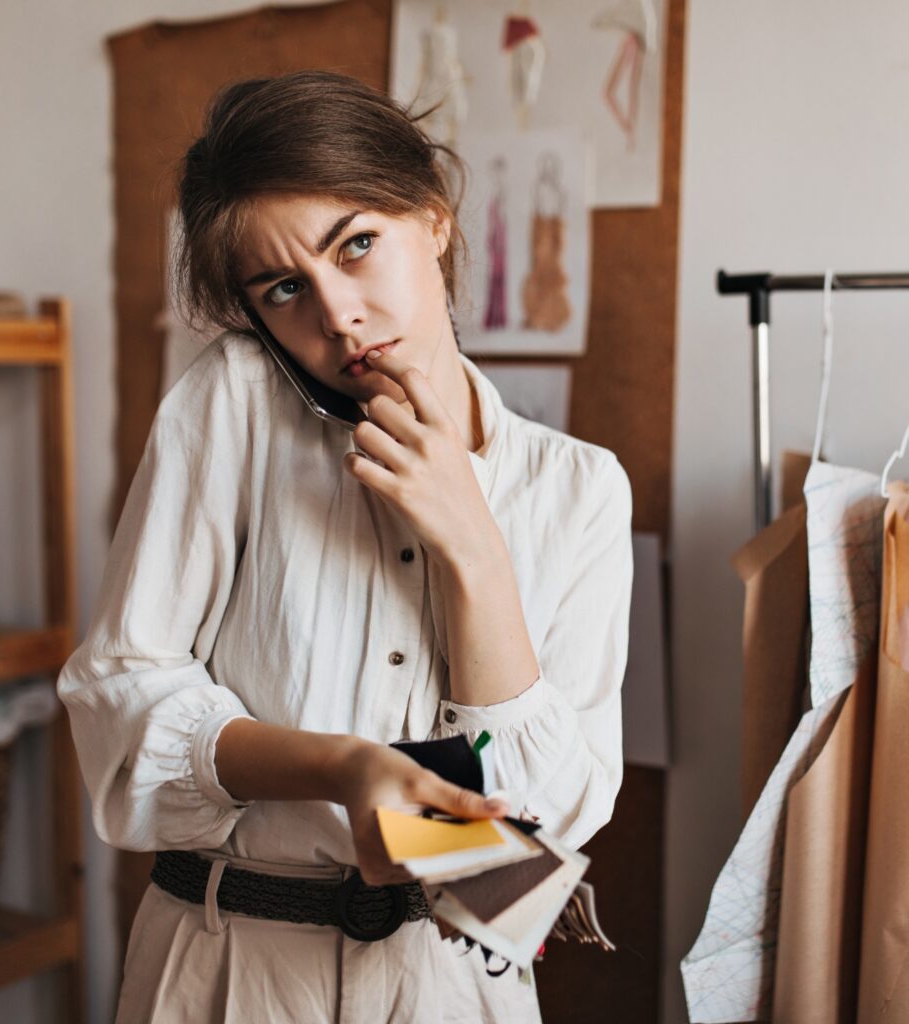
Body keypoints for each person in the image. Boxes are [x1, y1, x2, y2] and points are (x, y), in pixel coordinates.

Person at [56, 69, 633, 1023]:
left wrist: (474, 551)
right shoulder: (232, 406)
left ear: (435, 219)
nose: (336, 314)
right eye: (286, 289)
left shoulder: (577, 490)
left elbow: (543, 825)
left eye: (357, 245)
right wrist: (343, 770)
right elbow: (121, 704)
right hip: (227, 971)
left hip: (451, 985)